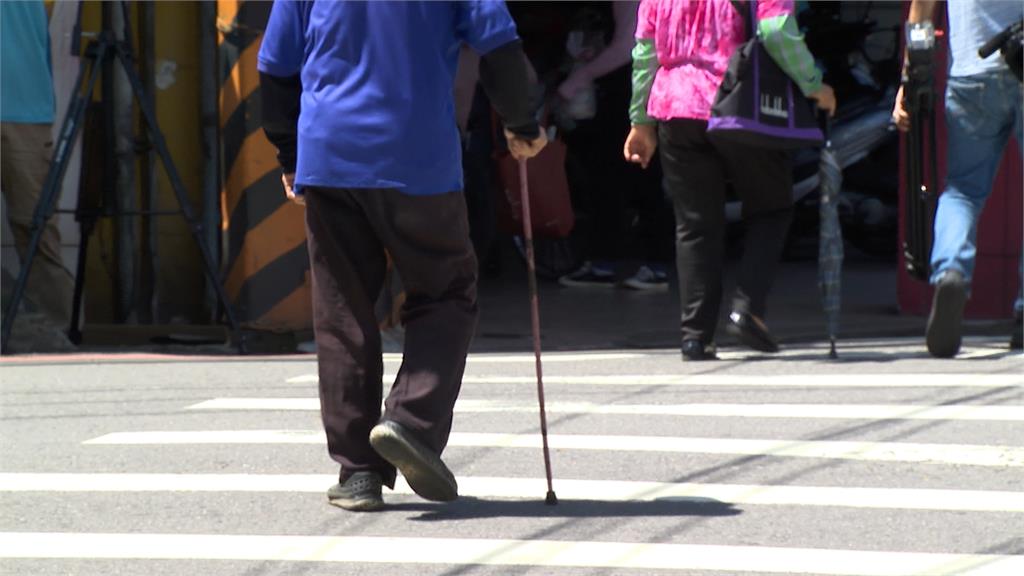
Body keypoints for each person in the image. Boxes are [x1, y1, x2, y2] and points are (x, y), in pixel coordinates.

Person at [257, 1, 545, 512]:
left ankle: (358, 474)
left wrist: (289, 154)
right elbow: (498, 44)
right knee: (447, 290)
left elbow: (277, 67)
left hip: (330, 156)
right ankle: (410, 421)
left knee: (344, 310)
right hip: (419, 159)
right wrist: (521, 122)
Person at [624, 0, 836, 360]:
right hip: (737, 102)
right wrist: (812, 83)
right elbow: (775, 31)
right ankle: (747, 309)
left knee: (694, 224)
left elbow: (645, 52)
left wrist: (640, 122)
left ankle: (696, 336)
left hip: (675, 110)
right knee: (773, 207)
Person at [892, 0, 1023, 357]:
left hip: (971, 71)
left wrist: (910, 76)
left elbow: (921, 8)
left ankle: (951, 269)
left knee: (962, 190)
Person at [554, 1, 675, 292]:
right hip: (631, 91)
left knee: (629, 177)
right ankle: (611, 262)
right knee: (619, 179)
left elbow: (628, 45)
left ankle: (643, 264)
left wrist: (580, 77)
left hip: (631, 93)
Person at [1, 0, 75, 331]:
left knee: (36, 227)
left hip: (22, 105)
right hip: (24, 103)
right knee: (35, 227)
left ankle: (58, 334)